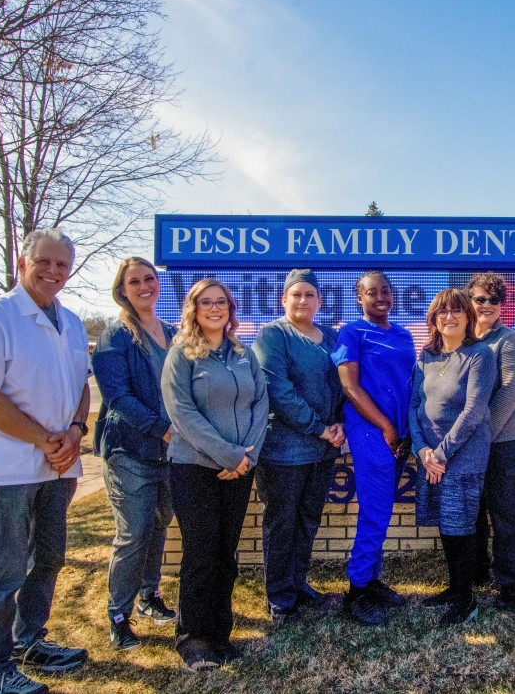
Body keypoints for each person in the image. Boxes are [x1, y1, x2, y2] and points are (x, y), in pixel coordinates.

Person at [0, 228, 90, 694]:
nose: (53, 271)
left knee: (47, 559)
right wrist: (45, 440)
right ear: (22, 262)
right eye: (44, 262)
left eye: (62, 265)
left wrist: (75, 431)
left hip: (60, 466)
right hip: (8, 471)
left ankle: (29, 642)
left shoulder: (70, 321)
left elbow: (81, 386)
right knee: (2, 571)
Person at [161, 279, 268, 670]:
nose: (214, 308)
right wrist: (226, 454)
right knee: (201, 555)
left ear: (230, 309)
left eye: (221, 302)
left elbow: (261, 402)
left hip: (239, 469)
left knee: (226, 554)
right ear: (193, 309)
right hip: (195, 469)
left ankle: (220, 633)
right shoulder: (181, 355)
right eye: (206, 302)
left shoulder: (243, 354)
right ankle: (193, 639)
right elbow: (182, 414)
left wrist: (246, 457)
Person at [91, 257, 178, 651]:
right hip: (131, 450)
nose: (144, 286)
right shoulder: (116, 337)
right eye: (134, 281)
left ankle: (149, 596)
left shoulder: (173, 333)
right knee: (134, 534)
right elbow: (118, 397)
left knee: (160, 525)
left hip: (170, 454)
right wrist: (161, 428)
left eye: (150, 279)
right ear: (122, 290)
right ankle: (118, 616)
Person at [251, 269, 345, 623]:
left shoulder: (331, 338)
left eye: (310, 294)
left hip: (322, 450)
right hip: (283, 451)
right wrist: (319, 427)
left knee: (307, 519)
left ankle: (298, 583)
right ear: (284, 299)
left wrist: (340, 424)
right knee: (282, 522)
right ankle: (279, 596)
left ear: (319, 300)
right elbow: (278, 391)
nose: (303, 300)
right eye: (296, 294)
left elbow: (346, 384)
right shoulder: (273, 336)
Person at [331, 270, 416, 626]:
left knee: (380, 510)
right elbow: (350, 388)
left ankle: (371, 580)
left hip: (398, 435)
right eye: (371, 292)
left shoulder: (403, 334)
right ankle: (357, 590)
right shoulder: (351, 332)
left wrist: (405, 430)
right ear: (359, 298)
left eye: (385, 290)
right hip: (371, 432)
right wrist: (386, 427)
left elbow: (410, 383)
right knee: (375, 512)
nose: (380, 296)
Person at [410, 289, 497, 625]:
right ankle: (455, 587)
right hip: (431, 456)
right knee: (446, 524)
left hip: (462, 456)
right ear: (434, 318)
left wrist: (441, 455)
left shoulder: (480, 355)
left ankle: (465, 597)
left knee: (460, 524)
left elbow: (474, 410)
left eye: (457, 311)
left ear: (468, 317)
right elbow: (414, 406)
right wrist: (422, 451)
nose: (449, 317)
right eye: (442, 312)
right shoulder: (426, 357)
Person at [466, 273, 515, 609]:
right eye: (480, 299)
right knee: (473, 512)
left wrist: (479, 436)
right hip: (469, 445)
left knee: (506, 513)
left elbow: (509, 394)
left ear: (503, 304)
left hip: (500, 442)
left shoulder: (510, 341)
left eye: (494, 300)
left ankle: (513, 584)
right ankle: (477, 572)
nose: (487, 305)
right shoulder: (462, 341)